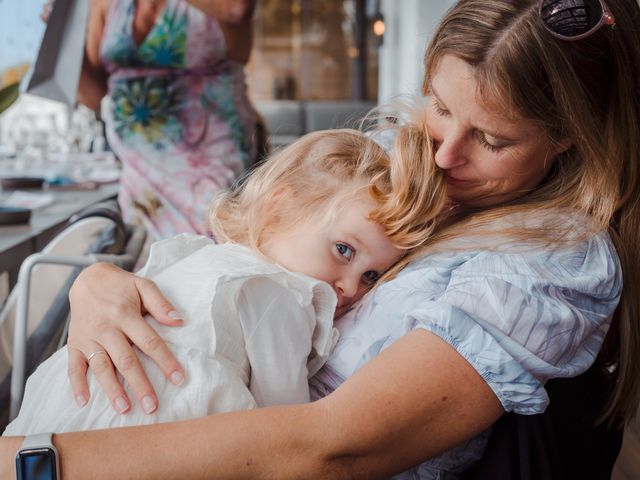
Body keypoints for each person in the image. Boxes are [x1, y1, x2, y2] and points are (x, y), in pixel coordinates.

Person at [2, 0, 639, 478]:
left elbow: (328, 446)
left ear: (568, 138)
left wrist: (36, 464)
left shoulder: (550, 262)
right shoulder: (404, 164)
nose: (444, 155)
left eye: (493, 140)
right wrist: (103, 285)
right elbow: (243, 251)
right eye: (439, 107)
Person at [4, 110, 446, 433]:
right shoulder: (278, 293)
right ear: (279, 207)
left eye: (372, 276)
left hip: (62, 416)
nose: (350, 288)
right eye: (344, 249)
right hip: (143, 420)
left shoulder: (205, 258)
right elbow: (284, 425)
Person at [76, 0, 259, 241]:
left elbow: (236, 9)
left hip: (211, 164)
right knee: (148, 266)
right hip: (139, 174)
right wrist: (66, 45)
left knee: (210, 256)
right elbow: (93, 96)